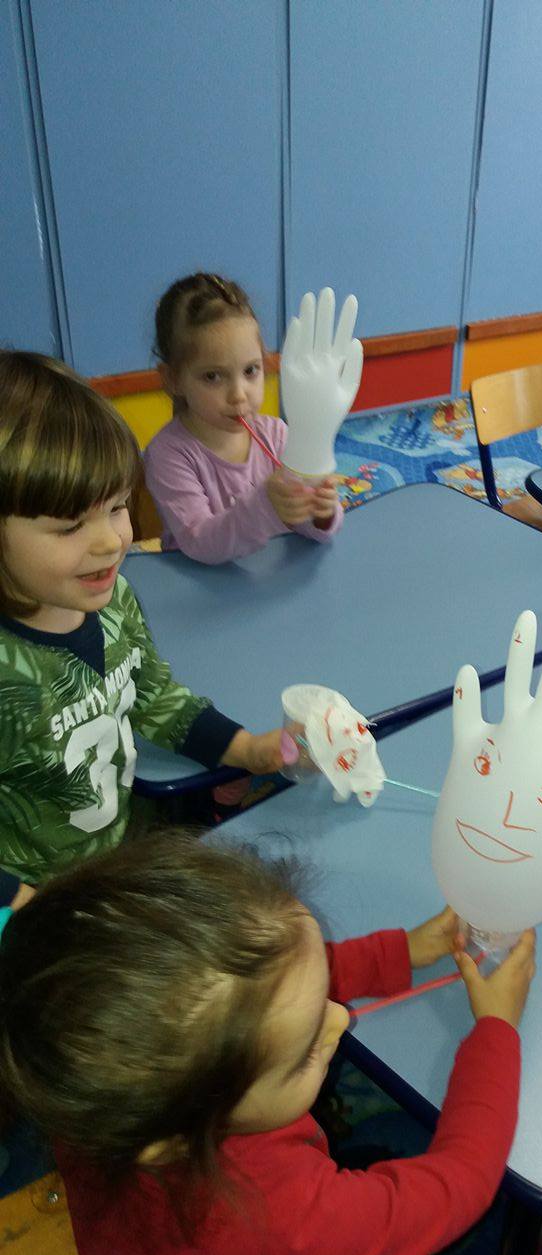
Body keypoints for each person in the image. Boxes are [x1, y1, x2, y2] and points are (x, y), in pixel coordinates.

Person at [0, 831, 536, 1255]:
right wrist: (496, 1029)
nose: (340, 1018)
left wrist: (399, 952)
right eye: (302, 1057)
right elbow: (460, 1184)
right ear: (182, 1132)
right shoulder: (290, 1226)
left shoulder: (90, 1067)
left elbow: (264, 991)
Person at [0, 351, 294, 898]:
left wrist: (249, 749)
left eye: (117, 507)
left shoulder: (113, 600)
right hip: (43, 898)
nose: (112, 541)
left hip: (121, 855)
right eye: (70, 526)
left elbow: (156, 697)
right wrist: (18, 901)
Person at [145, 273, 342, 563]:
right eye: (213, 377)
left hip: (271, 580)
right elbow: (200, 544)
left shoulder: (277, 435)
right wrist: (267, 504)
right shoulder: (168, 455)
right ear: (173, 379)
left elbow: (307, 529)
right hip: (201, 584)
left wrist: (320, 513)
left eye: (250, 371)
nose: (238, 395)